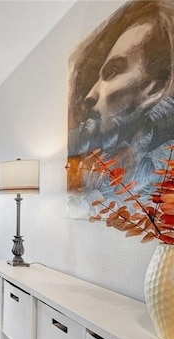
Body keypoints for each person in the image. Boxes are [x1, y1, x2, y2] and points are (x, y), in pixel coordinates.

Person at [67, 0, 174, 217]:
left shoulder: (161, 167)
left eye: (113, 71)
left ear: (155, 88)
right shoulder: (94, 161)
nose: (90, 95)